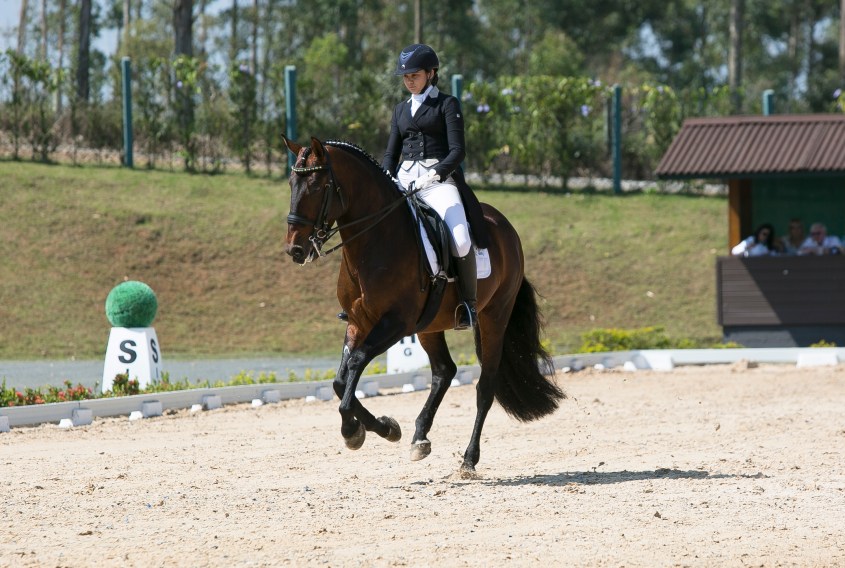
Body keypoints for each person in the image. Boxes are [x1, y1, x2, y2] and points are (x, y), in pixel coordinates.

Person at [382, 44, 489, 330]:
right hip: (405, 181)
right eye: (405, 77)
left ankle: (468, 305)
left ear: (431, 73)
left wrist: (436, 173)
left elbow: (458, 151)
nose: (409, 81)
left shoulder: (446, 104)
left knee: (461, 237)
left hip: (438, 182)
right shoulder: (400, 110)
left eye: (415, 75)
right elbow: (391, 154)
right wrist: (386, 178)